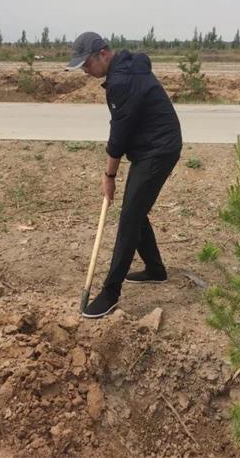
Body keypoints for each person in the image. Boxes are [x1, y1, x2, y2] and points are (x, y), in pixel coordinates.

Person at [67, 32, 182, 319]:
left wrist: (109, 175)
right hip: (151, 147)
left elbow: (119, 135)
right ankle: (155, 270)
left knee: (130, 217)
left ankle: (111, 292)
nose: (85, 71)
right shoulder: (127, 69)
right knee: (135, 209)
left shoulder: (121, 81)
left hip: (159, 150)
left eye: (87, 64)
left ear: (103, 54)